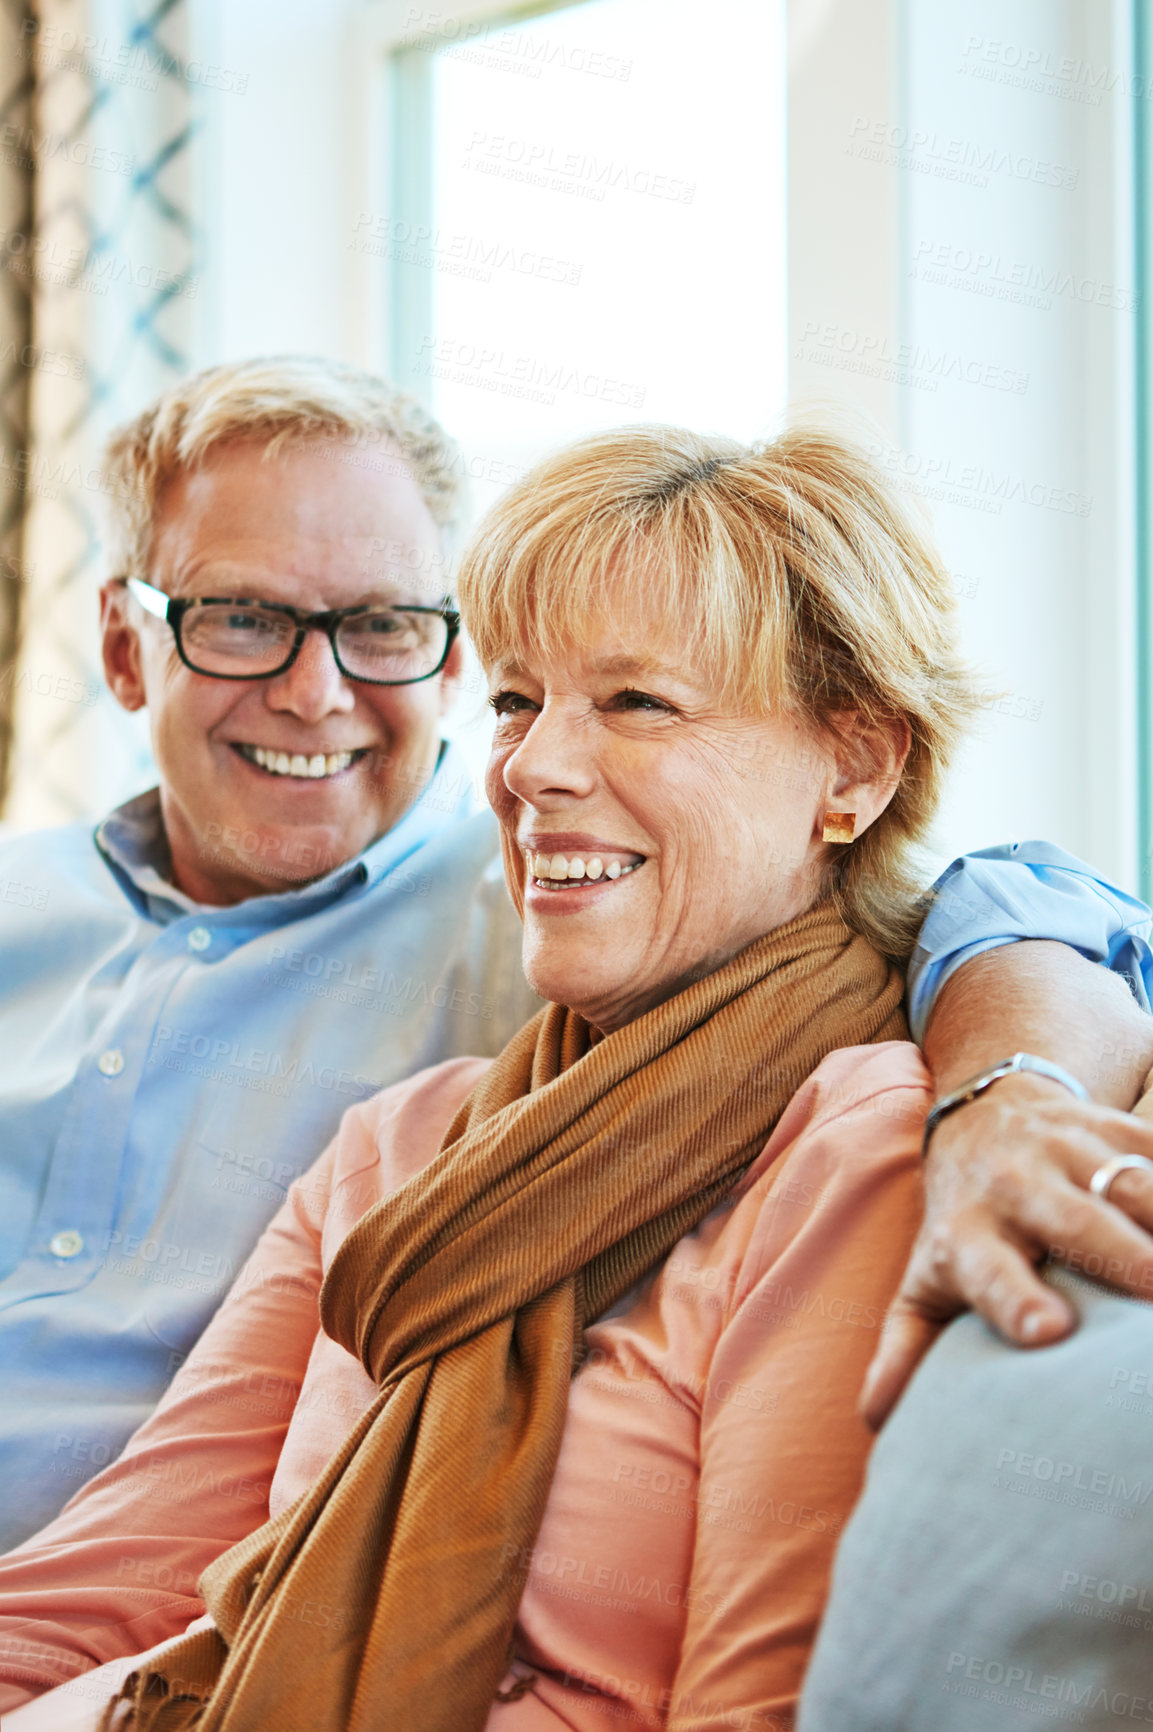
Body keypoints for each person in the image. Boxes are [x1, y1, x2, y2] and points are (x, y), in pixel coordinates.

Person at [0, 422, 1140, 1732]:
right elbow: (114, 1582)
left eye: (638, 702)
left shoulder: (857, 1142)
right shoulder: (402, 1141)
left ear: (856, 768)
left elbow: (754, 1709)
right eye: (515, 700)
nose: (530, 767)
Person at [0, 355, 541, 1552]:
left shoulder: (540, 937)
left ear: (452, 659)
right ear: (126, 648)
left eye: (381, 626)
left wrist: (1003, 1070)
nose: (314, 693)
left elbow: (924, 906)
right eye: (243, 618)